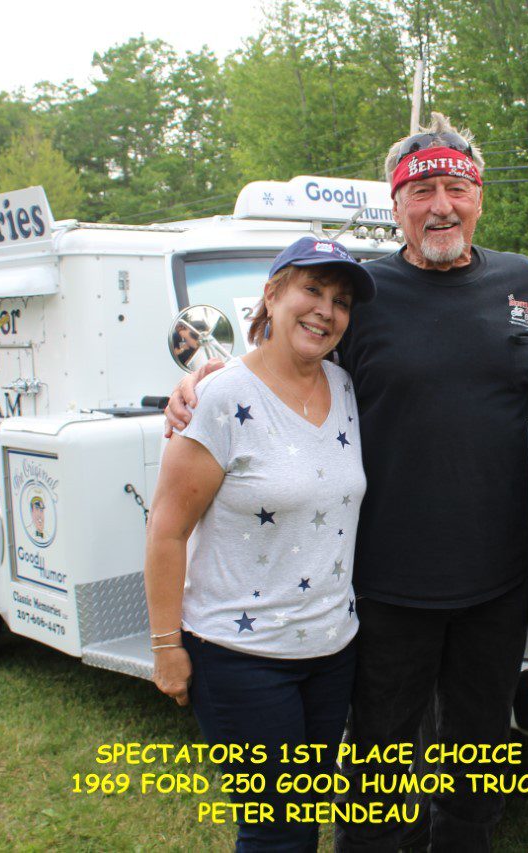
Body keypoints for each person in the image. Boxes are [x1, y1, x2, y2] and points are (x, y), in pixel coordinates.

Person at [167, 113, 528, 851]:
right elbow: (290, 365)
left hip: (497, 588)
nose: (440, 204)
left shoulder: (525, 285)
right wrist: (203, 380)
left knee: (475, 768)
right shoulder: (364, 296)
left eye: (456, 186)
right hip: (384, 589)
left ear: (479, 196)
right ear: (397, 202)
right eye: (422, 190)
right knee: (380, 773)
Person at [145, 236, 376, 852]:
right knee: (277, 831)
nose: (326, 310)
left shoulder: (347, 388)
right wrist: (167, 648)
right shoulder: (219, 398)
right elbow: (167, 529)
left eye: (341, 300)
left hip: (331, 649)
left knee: (304, 818)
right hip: (242, 658)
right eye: (311, 291)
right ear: (271, 296)